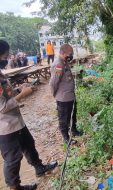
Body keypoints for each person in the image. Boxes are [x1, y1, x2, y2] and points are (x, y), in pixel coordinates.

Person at [0, 40, 58, 190]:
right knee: (13, 158)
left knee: (29, 144)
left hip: (16, 121)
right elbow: (2, 106)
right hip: (6, 127)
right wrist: (22, 95)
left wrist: (18, 89)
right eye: (5, 56)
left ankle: (39, 167)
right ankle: (15, 186)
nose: (7, 59)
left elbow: (6, 94)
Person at [49, 44, 82, 144]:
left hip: (70, 96)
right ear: (63, 53)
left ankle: (74, 130)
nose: (71, 56)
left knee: (72, 115)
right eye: (70, 54)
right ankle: (66, 138)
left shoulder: (64, 62)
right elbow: (54, 82)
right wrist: (55, 95)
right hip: (63, 98)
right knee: (64, 118)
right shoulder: (58, 65)